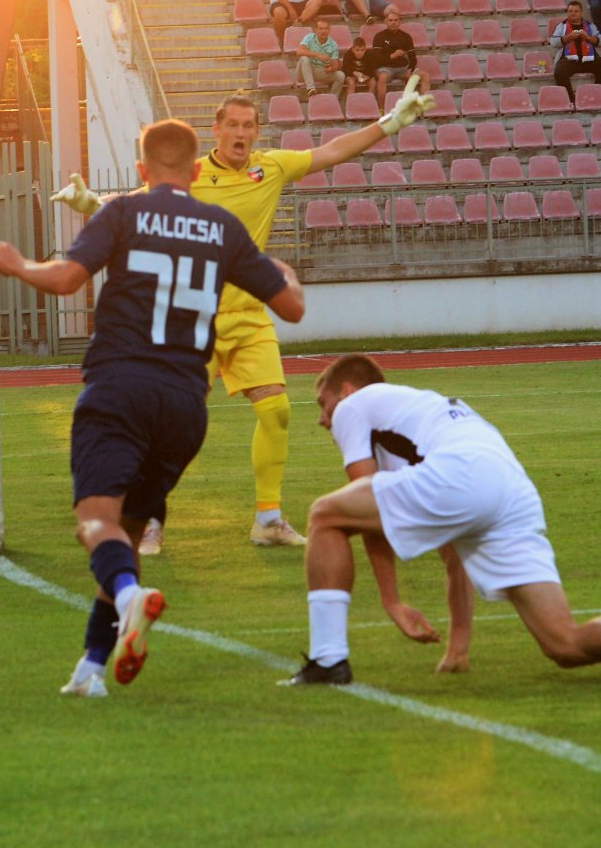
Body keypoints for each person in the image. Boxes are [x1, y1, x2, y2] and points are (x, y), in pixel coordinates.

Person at [53, 90, 435, 559]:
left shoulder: (271, 167)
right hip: (197, 320)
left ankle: (268, 520)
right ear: (216, 130)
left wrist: (390, 123)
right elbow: (141, 203)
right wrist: (93, 202)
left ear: (257, 131)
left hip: (251, 317)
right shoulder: (194, 174)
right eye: (232, 125)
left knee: (276, 410)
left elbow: (333, 151)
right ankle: (149, 519)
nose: (240, 133)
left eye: (248, 126)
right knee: (164, 423)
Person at [0, 119, 306, 698]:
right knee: (128, 529)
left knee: (95, 524)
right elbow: (290, 307)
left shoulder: (123, 212)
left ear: (142, 171)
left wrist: (18, 265)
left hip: (120, 387)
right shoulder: (224, 226)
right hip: (187, 404)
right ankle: (92, 667)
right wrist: (286, 273)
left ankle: (130, 595)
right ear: (196, 172)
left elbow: (66, 279)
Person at [286, 354, 601, 684]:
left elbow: (360, 503)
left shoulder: (355, 406)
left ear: (346, 391)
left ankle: (328, 661)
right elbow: (452, 554)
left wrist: (392, 601)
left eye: (322, 406)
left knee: (324, 515)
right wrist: (458, 647)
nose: (324, 420)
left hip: (468, 473)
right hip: (511, 486)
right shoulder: (414, 417)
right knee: (564, 644)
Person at [550, 1, 601, 88]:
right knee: (559, 71)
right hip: (569, 61)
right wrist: (569, 37)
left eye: (576, 11)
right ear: (567, 12)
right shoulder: (562, 26)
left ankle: (594, 93)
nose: (573, 13)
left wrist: (588, 38)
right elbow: (553, 42)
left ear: (581, 12)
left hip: (589, 60)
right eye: (570, 11)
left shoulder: (590, 25)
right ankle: (571, 100)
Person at [296, 24, 343, 96]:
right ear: (316, 30)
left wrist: (332, 68)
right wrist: (318, 55)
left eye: (325, 28)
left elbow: (336, 64)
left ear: (329, 30)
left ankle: (333, 100)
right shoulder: (309, 37)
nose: (323, 31)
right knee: (304, 58)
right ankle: (311, 89)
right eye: (321, 29)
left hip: (320, 71)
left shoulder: (333, 44)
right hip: (304, 71)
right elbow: (299, 52)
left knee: (340, 75)